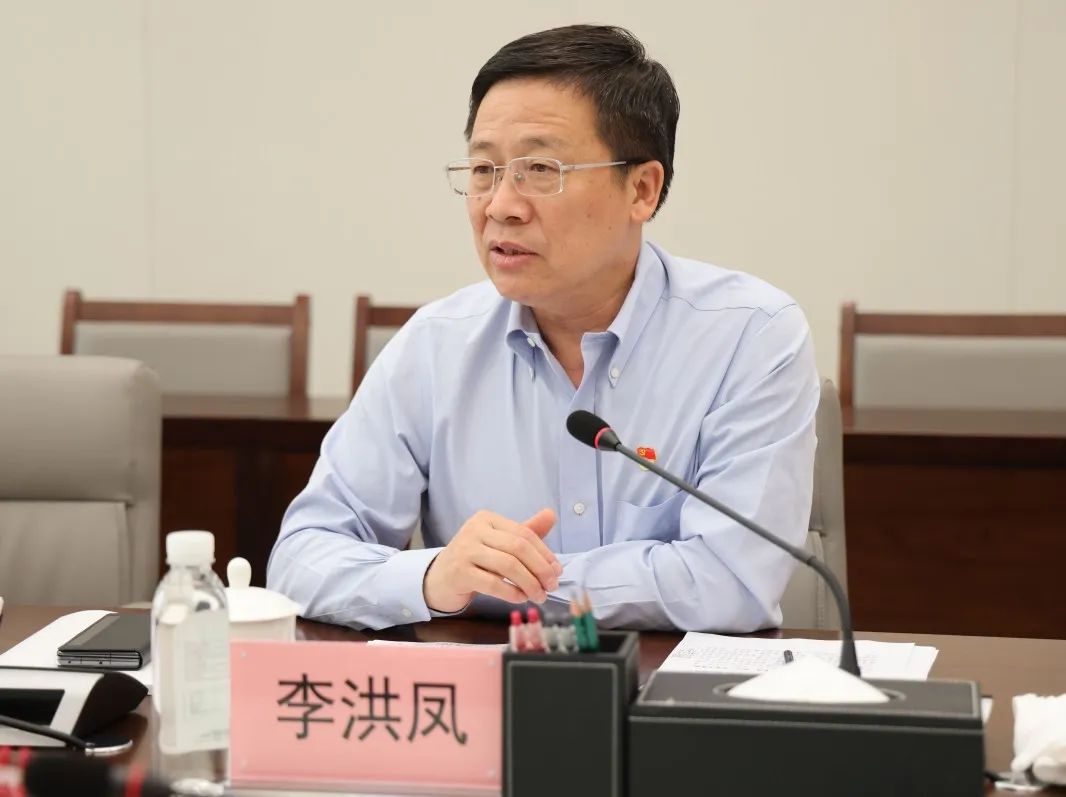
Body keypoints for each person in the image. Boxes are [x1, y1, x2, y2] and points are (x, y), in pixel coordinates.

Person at [267, 24, 819, 632]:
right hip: (492, 685)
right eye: (484, 169)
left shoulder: (750, 336)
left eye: (539, 168)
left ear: (642, 189)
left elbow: (731, 580)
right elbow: (301, 558)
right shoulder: (436, 344)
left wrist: (508, 583)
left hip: (673, 684)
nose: (500, 205)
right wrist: (432, 578)